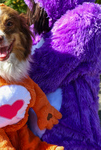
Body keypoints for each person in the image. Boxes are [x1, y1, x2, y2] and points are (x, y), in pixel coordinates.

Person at [25, 0, 101, 149]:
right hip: (35, 134)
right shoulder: (40, 28)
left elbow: (43, 74)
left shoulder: (86, 18)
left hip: (71, 136)